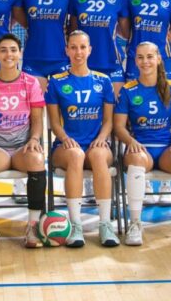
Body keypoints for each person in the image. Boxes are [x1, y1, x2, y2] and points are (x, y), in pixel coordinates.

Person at [114, 41, 171, 247]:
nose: (145, 62)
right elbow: (119, 127)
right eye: (141, 57)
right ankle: (135, 224)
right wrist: (130, 141)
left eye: (150, 57)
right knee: (135, 159)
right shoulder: (128, 90)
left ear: (159, 59)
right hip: (140, 148)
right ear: (135, 61)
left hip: (165, 149)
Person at [45, 30, 119, 248]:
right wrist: (65, 138)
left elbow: (108, 121)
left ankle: (105, 224)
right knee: (76, 155)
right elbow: (54, 123)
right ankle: (75, 225)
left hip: (96, 143)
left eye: (82, 47)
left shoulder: (103, 81)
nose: (78, 52)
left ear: (90, 50)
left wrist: (103, 137)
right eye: (74, 47)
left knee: (97, 155)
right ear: (67, 50)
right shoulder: (57, 82)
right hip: (66, 147)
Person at [0, 34, 46, 248]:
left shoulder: (30, 82)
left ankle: (32, 226)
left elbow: (37, 118)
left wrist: (34, 138)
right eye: (3, 50)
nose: (9, 54)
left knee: (37, 159)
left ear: (20, 53)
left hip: (23, 147)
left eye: (13, 50)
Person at [69, 0, 128, 96]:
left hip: (111, 64)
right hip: (83, 65)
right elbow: (73, 33)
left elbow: (127, 33)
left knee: (117, 117)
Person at [20, 0, 74, 91]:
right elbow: (18, 18)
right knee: (36, 112)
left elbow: (74, 26)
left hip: (61, 58)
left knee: (61, 111)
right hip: (33, 59)